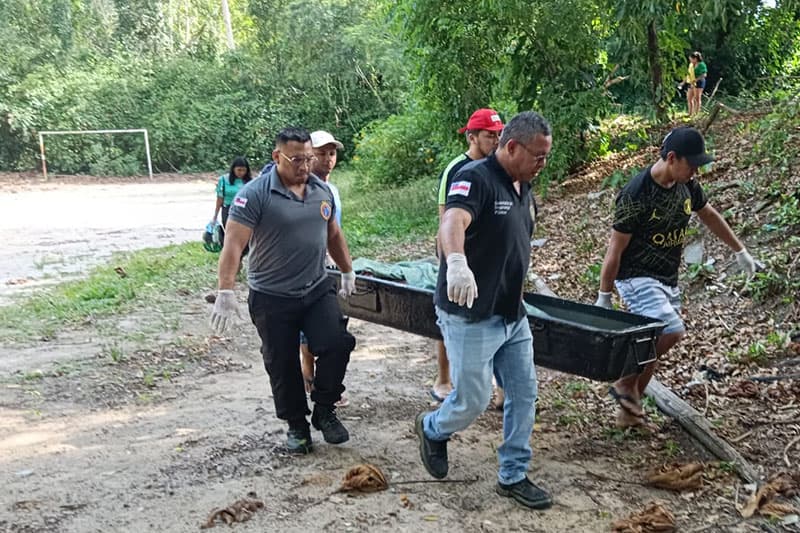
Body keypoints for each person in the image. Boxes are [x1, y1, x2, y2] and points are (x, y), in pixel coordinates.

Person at [415, 111, 554, 510]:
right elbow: (453, 219)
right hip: (470, 313)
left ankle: (513, 474)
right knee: (472, 401)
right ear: (512, 147)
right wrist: (456, 260)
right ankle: (433, 428)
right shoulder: (475, 177)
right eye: (538, 156)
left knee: (524, 393)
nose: (543, 164)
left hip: (512, 312)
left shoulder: (522, 185)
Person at [595, 126, 756, 428]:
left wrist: (739, 250)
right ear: (672, 158)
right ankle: (624, 381)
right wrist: (604, 296)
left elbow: (708, 215)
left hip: (667, 278)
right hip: (636, 277)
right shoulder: (636, 193)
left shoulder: (687, 185)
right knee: (671, 330)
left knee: (652, 346)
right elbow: (615, 249)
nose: (696, 170)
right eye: (691, 164)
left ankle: (628, 414)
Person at [210, 127, 358, 455]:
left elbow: (333, 234)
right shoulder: (255, 194)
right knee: (281, 361)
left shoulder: (322, 191)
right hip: (271, 294)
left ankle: (324, 409)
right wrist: (226, 291)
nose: (305, 166)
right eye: (297, 160)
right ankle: (297, 425)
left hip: (316, 287)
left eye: (309, 158)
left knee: (338, 343)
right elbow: (234, 244)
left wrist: (347, 269)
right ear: (277, 157)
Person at [431, 108, 504, 405]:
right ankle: (443, 379)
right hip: (462, 255)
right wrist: (451, 261)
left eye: (500, 134)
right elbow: (446, 218)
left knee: (500, 319)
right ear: (472, 137)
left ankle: (501, 386)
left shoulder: (500, 167)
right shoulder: (457, 170)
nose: (496, 141)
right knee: (452, 315)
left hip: (492, 258)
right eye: (490, 135)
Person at [300, 130, 347, 406]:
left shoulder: (334, 190)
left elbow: (335, 231)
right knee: (310, 324)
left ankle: (326, 385)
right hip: (309, 267)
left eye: (332, 153)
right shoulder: (304, 188)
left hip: (331, 267)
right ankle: (308, 373)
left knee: (336, 324)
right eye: (321, 153)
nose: (328, 159)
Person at [211, 156, 253, 244]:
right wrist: (215, 215)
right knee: (231, 236)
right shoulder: (224, 180)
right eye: (239, 170)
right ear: (233, 169)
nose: (241, 173)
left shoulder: (250, 182)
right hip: (228, 210)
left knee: (245, 236)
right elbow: (220, 198)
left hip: (245, 211)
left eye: (243, 170)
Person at [688, 52, 707, 116]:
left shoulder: (702, 65)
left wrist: (696, 80)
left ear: (695, 59)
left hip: (699, 82)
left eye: (691, 59)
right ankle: (690, 113)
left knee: (697, 98)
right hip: (692, 82)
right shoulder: (691, 65)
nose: (690, 60)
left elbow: (704, 74)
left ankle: (696, 113)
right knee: (689, 98)